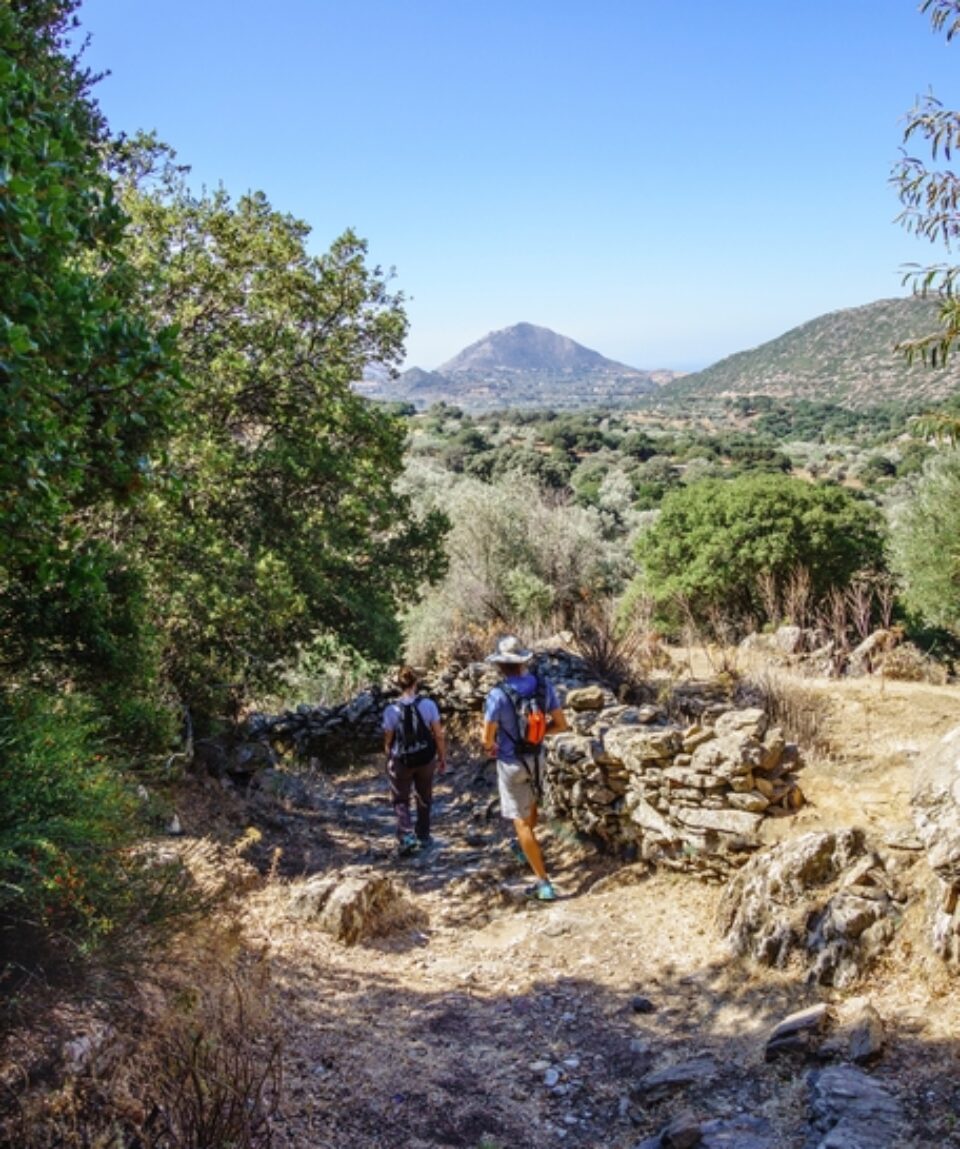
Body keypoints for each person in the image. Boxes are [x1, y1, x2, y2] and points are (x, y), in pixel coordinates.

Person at [482, 636, 568, 900]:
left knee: (520, 822)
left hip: (510, 763)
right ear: (522, 661)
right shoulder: (543, 686)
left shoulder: (497, 695)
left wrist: (491, 748)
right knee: (530, 806)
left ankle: (543, 882)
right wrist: (539, 737)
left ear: (500, 665)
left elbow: (487, 738)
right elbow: (561, 724)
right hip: (537, 758)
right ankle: (526, 849)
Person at [383, 666, 447, 854]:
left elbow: (388, 737)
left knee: (400, 798)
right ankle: (424, 835)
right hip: (426, 759)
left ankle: (406, 836)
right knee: (424, 795)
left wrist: (388, 755)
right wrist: (442, 756)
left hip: (401, 760)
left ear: (398, 685)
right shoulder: (428, 705)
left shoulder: (391, 710)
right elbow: (438, 735)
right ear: (416, 683)